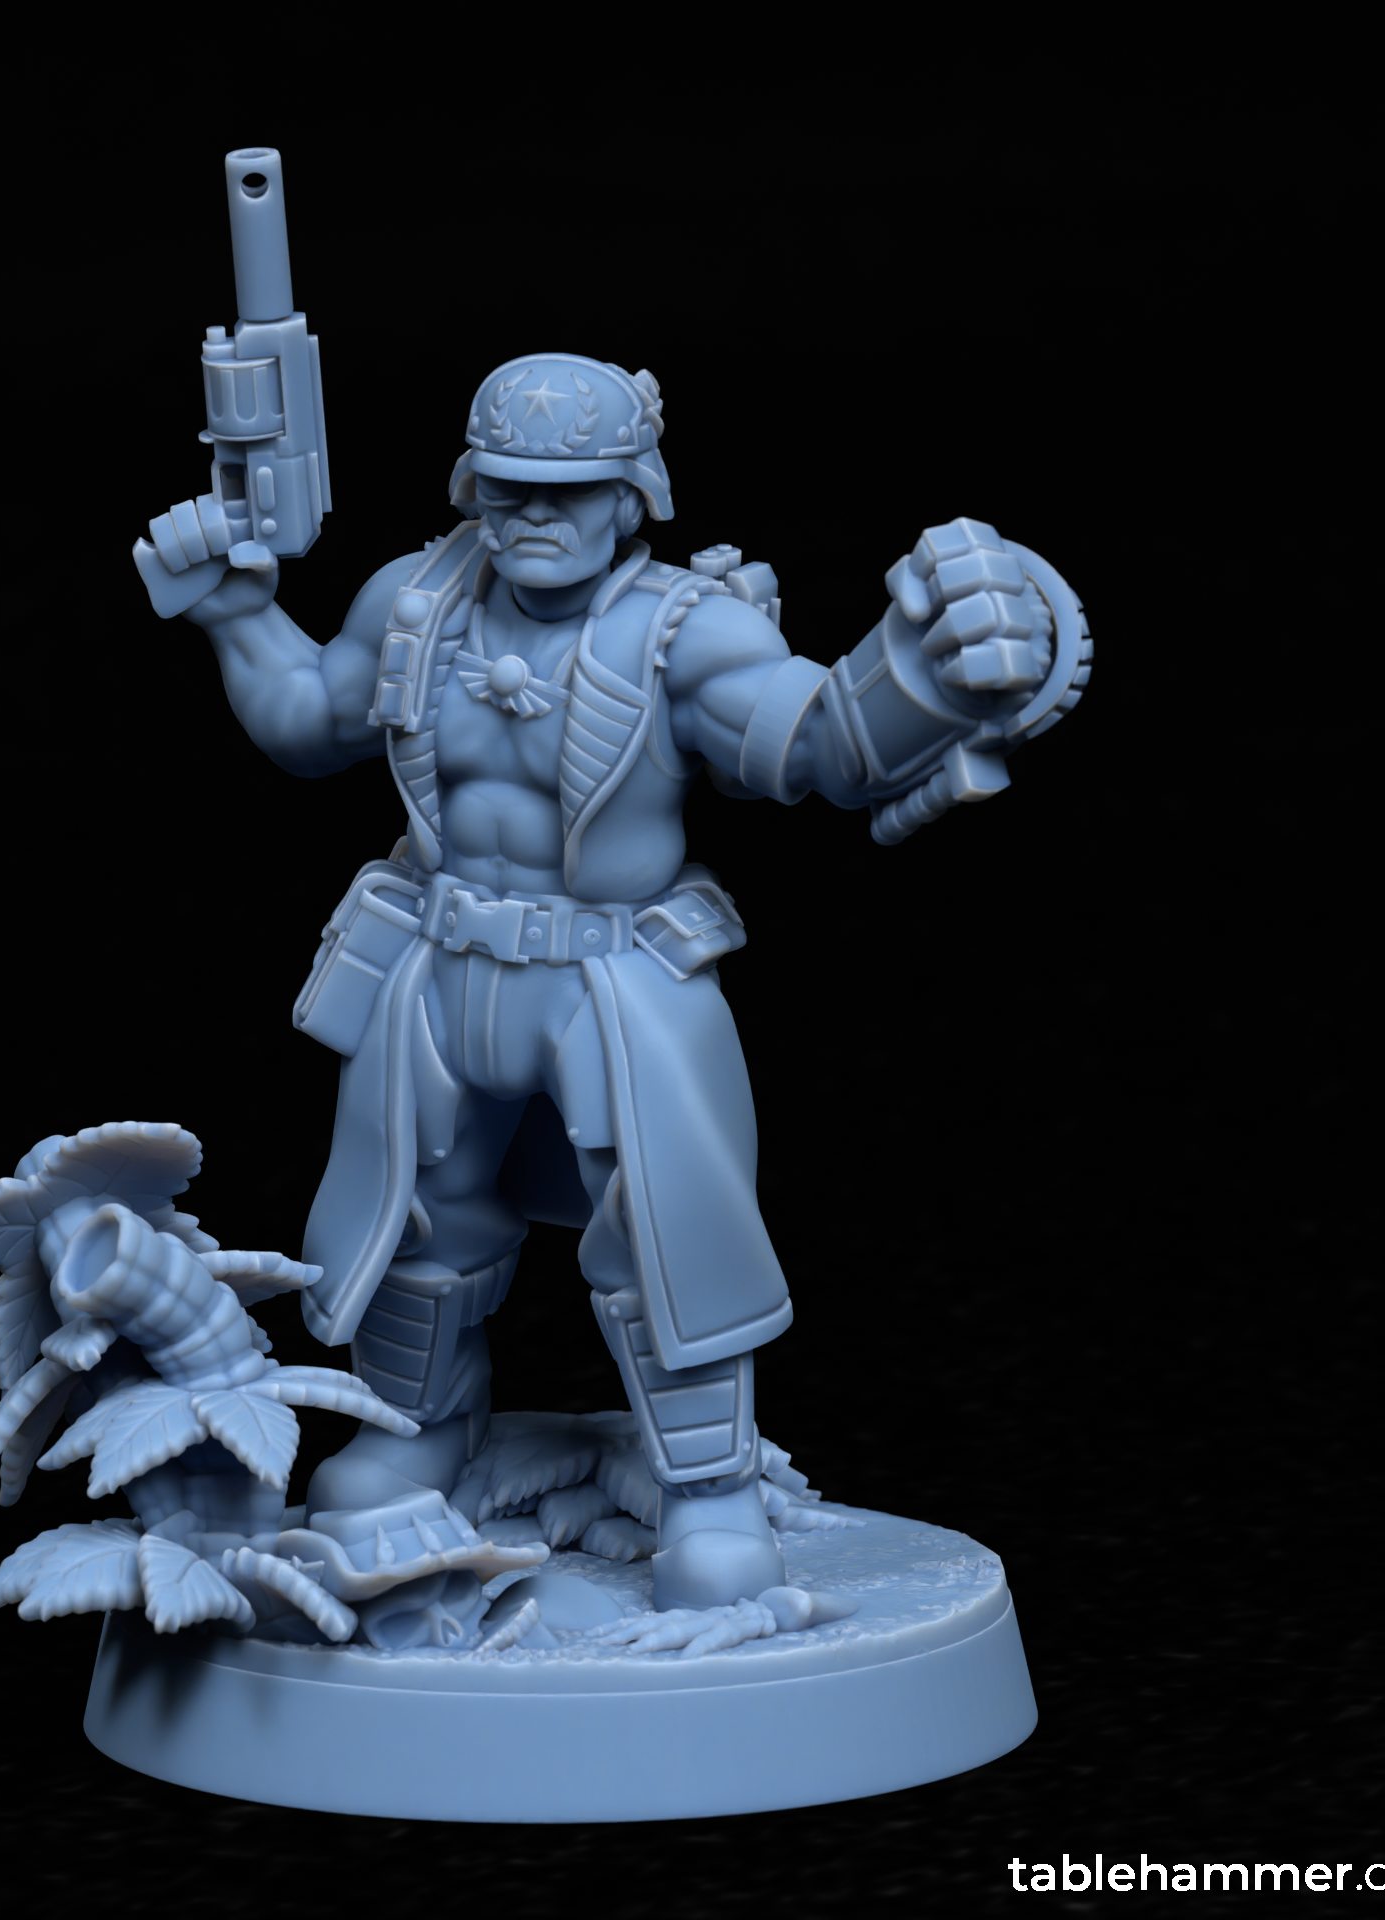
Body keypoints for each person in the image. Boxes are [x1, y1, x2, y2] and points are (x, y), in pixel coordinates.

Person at [172, 353, 1086, 1610]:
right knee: (417, 1223)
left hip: (609, 978)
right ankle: (417, 1434)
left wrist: (925, 668)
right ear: (471, 485)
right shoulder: (416, 600)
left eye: (569, 490)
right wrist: (233, 610)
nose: (534, 516)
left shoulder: (683, 630)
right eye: (508, 488)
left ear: (632, 493)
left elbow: (823, 745)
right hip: (442, 964)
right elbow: (306, 720)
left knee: (662, 1242)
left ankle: (706, 1488)